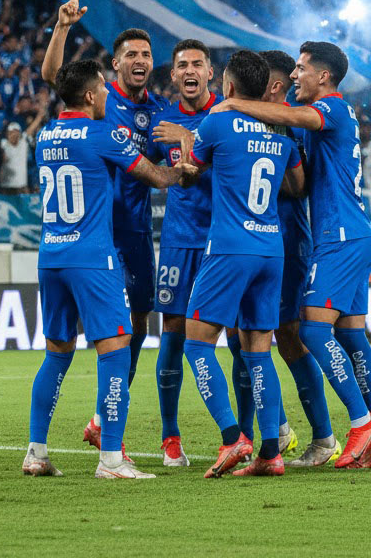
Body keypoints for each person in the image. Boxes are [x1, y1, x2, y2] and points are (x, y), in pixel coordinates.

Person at [214, 41, 371, 469]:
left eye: (301, 69)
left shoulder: (328, 110)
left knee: (311, 333)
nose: (296, 77)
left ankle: (362, 424)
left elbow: (293, 121)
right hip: (347, 233)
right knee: (349, 335)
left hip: (337, 237)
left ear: (323, 76)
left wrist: (233, 105)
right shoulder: (333, 117)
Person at [23, 58, 181, 479]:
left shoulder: (46, 136)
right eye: (104, 89)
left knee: (56, 353)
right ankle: (111, 457)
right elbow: (154, 176)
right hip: (92, 257)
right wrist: (183, 169)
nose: (110, 95)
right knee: (116, 349)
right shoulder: (104, 134)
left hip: (51, 255)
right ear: (91, 95)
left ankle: (36, 452)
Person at [41, 0, 164, 450]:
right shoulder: (100, 99)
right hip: (93, 233)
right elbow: (54, 75)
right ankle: (110, 436)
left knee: (138, 320)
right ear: (115, 66)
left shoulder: (157, 112)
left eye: (146, 54)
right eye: (130, 53)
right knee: (104, 335)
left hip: (132, 230)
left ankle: (102, 418)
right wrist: (63, 27)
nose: (139, 59)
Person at [183, 49, 306, 477]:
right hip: (271, 248)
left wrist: (184, 150)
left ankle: (233, 438)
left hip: (230, 247)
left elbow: (191, 170)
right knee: (259, 351)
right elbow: (298, 183)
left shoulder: (216, 120)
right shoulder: (282, 135)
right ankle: (271, 454)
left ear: (230, 87)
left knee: (196, 342)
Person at [258, 50, 343, 469]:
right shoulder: (253, 119)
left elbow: (299, 186)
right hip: (250, 244)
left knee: (289, 335)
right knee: (246, 338)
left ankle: (324, 436)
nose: (293, 78)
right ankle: (276, 429)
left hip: (288, 240)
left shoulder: (294, 121)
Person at [145, 39, 222, 467]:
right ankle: (170, 435)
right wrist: (176, 173)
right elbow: (151, 170)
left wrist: (190, 141)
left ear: (210, 72)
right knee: (172, 329)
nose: (189, 70)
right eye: (181, 65)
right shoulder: (161, 122)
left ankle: (253, 430)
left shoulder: (228, 113)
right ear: (173, 76)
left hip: (224, 242)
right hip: (178, 241)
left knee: (239, 333)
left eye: (197, 64)